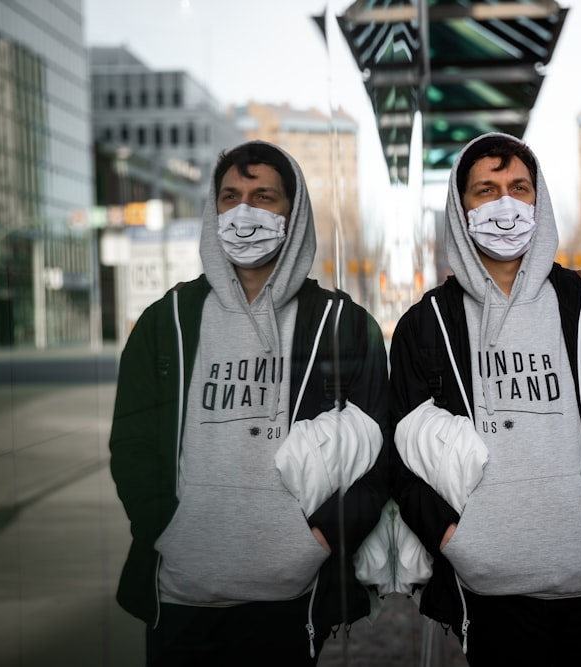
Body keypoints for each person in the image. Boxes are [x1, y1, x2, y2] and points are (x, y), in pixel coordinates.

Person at [109, 140, 389, 666]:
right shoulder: (164, 324)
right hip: (182, 596)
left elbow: (376, 459)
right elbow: (131, 445)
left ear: (294, 211)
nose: (244, 212)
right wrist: (168, 530)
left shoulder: (342, 327)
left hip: (291, 597)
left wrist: (320, 540)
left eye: (264, 197)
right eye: (231, 196)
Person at [389, 133, 581, 665]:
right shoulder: (426, 326)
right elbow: (399, 458)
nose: (505, 204)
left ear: (539, 201)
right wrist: (455, 540)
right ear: (459, 206)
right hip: (488, 595)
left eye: (518, 187)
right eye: (485, 190)